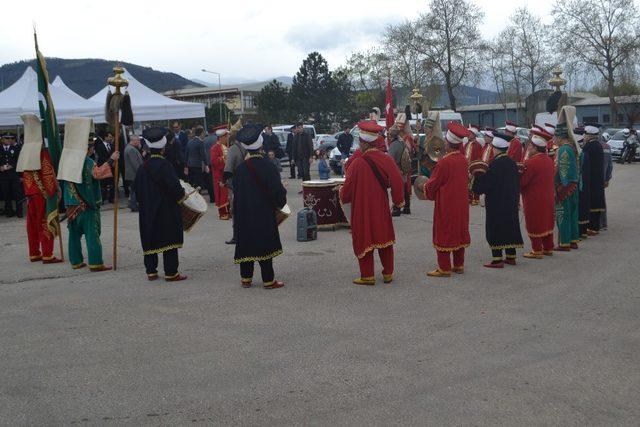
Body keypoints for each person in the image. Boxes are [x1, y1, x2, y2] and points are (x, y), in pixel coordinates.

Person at [339, 121, 404, 285]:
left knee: (364, 238)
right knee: (384, 238)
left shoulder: (357, 163)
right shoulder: (386, 159)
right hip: (381, 206)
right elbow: (397, 180)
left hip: (362, 208)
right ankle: (388, 273)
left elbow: (346, 190)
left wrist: (342, 195)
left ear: (363, 142)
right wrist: (398, 201)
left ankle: (367, 275)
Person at [57, 118, 115, 272]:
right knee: (92, 235)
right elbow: (98, 174)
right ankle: (96, 262)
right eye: (91, 147)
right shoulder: (87, 161)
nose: (92, 149)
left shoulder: (66, 160)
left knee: (74, 235)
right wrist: (111, 161)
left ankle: (76, 261)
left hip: (71, 205)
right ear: (87, 148)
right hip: (87, 205)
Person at [233, 124, 287, 289]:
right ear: (261, 145)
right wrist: (281, 203)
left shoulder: (240, 169)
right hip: (263, 211)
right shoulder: (268, 166)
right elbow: (277, 191)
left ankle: (246, 278)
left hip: (243, 212)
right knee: (264, 243)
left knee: (247, 242)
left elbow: (236, 191)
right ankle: (268, 279)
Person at [134, 127, 187, 282]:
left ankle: (151, 271)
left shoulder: (142, 167)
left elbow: (136, 189)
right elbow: (175, 187)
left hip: (147, 209)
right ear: (163, 148)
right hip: (165, 209)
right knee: (169, 238)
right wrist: (181, 196)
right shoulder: (165, 166)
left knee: (150, 237)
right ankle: (171, 272)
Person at [422, 122, 471, 277]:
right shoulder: (463, 160)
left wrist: (425, 187)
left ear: (448, 143)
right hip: (462, 204)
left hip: (447, 203)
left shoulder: (444, 162)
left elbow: (433, 184)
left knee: (444, 231)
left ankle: (444, 267)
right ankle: (459, 265)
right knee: (459, 230)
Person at [472, 132, 524, 268]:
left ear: (495, 149)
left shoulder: (494, 165)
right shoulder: (512, 163)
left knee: (495, 228)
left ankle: (497, 259)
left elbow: (485, 185)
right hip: (511, 202)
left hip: (496, 203)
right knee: (510, 226)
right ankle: (511, 256)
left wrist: (476, 180)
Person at [16, 113, 61, 263]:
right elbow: (47, 175)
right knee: (44, 222)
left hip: (29, 192)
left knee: (32, 224)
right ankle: (47, 254)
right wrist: (54, 192)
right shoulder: (42, 152)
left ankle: (34, 252)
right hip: (42, 194)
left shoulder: (25, 150)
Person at [520, 129, 555, 258]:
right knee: (547, 220)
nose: (528, 147)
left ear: (535, 147)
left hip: (534, 197)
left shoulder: (531, 162)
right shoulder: (549, 160)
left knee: (534, 221)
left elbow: (523, 182)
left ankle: (536, 250)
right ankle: (548, 247)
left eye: (530, 145)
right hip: (548, 196)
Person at [553, 124, 580, 251]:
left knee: (562, 215)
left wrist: (558, 187)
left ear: (560, 137)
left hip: (565, 187)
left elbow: (562, 171)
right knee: (573, 215)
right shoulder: (572, 148)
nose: (554, 140)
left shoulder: (563, 149)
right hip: (574, 186)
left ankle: (564, 243)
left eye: (555, 137)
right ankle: (573, 240)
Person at [223, 125, 248, 244]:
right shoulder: (246, 147)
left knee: (235, 210)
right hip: (247, 183)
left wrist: (224, 181)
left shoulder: (233, 149)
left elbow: (228, 169)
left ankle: (236, 236)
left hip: (235, 183)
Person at [582, 125, 606, 235]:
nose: (584, 136)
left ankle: (592, 228)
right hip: (598, 178)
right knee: (597, 201)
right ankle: (595, 226)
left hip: (591, 178)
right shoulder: (598, 145)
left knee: (592, 201)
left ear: (589, 135)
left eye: (585, 134)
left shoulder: (589, 147)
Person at [210, 125, 231, 220]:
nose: (227, 138)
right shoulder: (214, 148)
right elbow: (214, 161)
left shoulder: (226, 146)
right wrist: (223, 158)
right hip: (219, 174)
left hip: (226, 173)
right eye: (226, 136)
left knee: (227, 193)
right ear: (221, 137)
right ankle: (223, 213)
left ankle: (229, 211)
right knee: (221, 193)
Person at [0, 133, 21, 217]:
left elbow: (19, 161)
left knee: (17, 194)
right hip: (3, 176)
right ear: (2, 139)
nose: (9, 140)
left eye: (10, 138)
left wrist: (12, 166)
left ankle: (19, 212)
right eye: (6, 138)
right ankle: (9, 212)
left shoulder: (15, 148)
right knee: (6, 194)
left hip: (13, 175)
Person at [575, 128, 590, 240]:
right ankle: (583, 231)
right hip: (585, 183)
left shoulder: (578, 153)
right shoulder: (584, 151)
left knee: (579, 208)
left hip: (579, 184)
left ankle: (580, 232)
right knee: (584, 206)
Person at [93, 130, 116, 203]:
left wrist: (113, 162)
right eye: (109, 137)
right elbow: (100, 156)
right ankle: (103, 198)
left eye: (111, 137)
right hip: (103, 166)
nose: (110, 138)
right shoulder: (100, 146)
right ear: (105, 137)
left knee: (112, 183)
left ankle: (111, 198)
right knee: (103, 184)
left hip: (112, 168)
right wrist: (109, 162)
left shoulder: (112, 146)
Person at [184, 126, 208, 191]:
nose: (204, 135)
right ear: (201, 133)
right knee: (198, 183)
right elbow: (203, 155)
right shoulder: (200, 142)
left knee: (192, 183)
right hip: (197, 165)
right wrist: (206, 165)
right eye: (203, 133)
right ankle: (198, 197)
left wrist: (185, 166)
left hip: (190, 165)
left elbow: (186, 155)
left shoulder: (189, 142)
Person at [124, 135, 144, 212]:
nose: (139, 142)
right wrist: (141, 173)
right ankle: (133, 204)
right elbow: (135, 164)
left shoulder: (129, 148)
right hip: (134, 174)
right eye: (138, 140)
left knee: (134, 190)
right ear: (133, 140)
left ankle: (133, 204)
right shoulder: (131, 149)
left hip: (131, 174)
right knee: (135, 190)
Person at [465, 125, 483, 205]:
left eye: (470, 133)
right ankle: (468, 198)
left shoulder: (477, 145)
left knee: (475, 182)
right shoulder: (466, 144)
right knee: (467, 183)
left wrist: (474, 168)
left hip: (473, 167)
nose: (468, 135)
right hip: (466, 167)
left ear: (474, 135)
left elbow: (478, 158)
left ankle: (475, 198)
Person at [600, 132, 613, 230]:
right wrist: (607, 178)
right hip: (603, 178)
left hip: (594, 179)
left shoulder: (590, 146)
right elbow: (610, 165)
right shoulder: (607, 147)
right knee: (602, 200)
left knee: (594, 201)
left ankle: (598, 224)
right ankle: (604, 223)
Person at [203, 126, 218, 203]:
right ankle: (217, 197)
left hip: (208, 162)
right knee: (217, 179)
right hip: (216, 162)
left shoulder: (204, 140)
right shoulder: (217, 138)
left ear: (208, 132)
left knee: (209, 181)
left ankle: (212, 198)